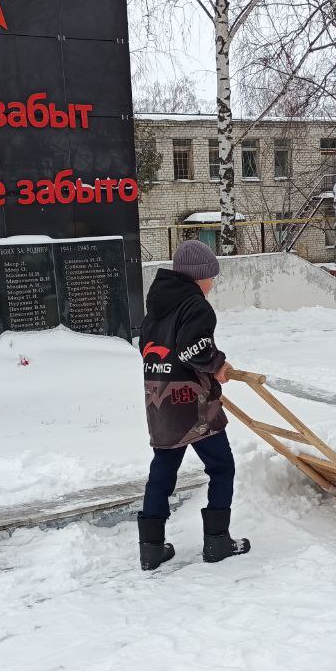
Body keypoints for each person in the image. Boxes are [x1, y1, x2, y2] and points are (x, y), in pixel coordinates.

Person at [138, 239, 251, 571]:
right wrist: (216, 364)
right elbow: (193, 350)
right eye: (210, 277)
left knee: (162, 471)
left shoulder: (156, 308)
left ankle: (151, 548)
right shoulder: (195, 305)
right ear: (197, 276)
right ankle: (217, 542)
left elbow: (150, 349)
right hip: (193, 405)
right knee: (221, 468)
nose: (212, 284)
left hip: (159, 400)